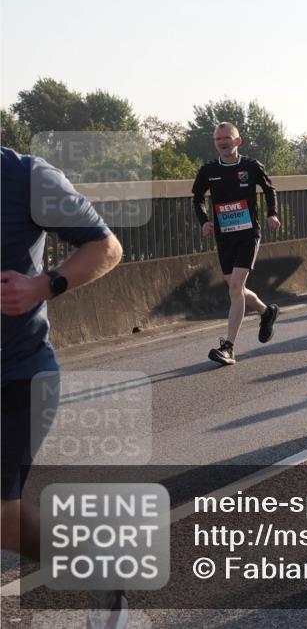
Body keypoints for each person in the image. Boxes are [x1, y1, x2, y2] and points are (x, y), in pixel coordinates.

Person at [1, 147, 125, 626]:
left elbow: (106, 247)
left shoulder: (26, 177)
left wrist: (41, 286)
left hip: (18, 374)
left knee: (2, 521)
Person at [193, 122, 282, 366]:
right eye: (218, 139)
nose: (223, 142)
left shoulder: (250, 166)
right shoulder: (208, 170)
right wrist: (204, 221)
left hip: (248, 234)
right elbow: (197, 199)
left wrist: (272, 213)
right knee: (237, 290)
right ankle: (267, 312)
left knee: (235, 288)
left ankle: (229, 347)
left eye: (227, 138)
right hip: (224, 236)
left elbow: (268, 188)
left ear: (237, 141)